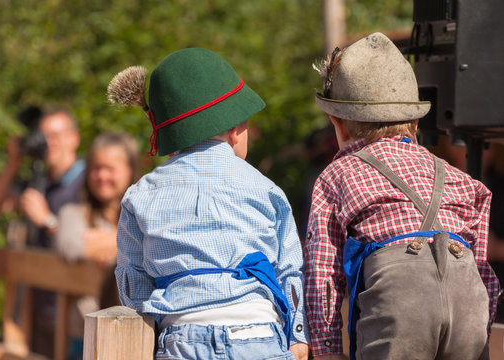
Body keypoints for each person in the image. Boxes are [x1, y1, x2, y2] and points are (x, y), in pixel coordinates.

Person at [304, 32, 499, 360]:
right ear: (416, 120)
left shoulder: (337, 175)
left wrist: (326, 349)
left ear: (337, 122)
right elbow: (484, 275)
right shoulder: (462, 180)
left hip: (399, 305)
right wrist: (482, 329)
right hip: (468, 308)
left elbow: (322, 270)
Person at [109, 48, 309, 360]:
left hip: (183, 340)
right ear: (233, 130)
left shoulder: (140, 194)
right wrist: (297, 334)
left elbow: (132, 280)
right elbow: (288, 270)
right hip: (259, 336)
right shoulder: (265, 188)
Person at [0, 106, 85, 358]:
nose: (48, 143)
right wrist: (14, 163)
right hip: (38, 307)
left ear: (74, 138)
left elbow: (93, 241)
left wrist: (47, 219)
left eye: (55, 136)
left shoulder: (89, 183)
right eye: (43, 136)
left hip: (74, 311)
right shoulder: (40, 182)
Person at [54, 131, 140, 359]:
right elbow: (70, 247)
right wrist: (124, 245)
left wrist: (108, 241)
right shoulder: (73, 213)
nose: (101, 175)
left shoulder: (144, 215)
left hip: (135, 336)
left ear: (130, 169)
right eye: (95, 168)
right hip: (85, 339)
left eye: (110, 168)